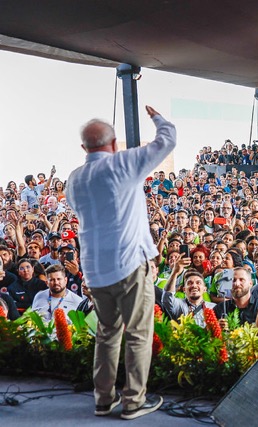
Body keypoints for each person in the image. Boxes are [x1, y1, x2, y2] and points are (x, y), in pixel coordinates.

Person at [65, 106, 175, 419]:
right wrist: (158, 118)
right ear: (115, 144)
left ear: (84, 148)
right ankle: (133, 402)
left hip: (96, 269)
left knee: (107, 333)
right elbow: (166, 141)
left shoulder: (74, 179)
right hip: (128, 263)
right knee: (138, 333)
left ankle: (103, 399)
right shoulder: (123, 164)